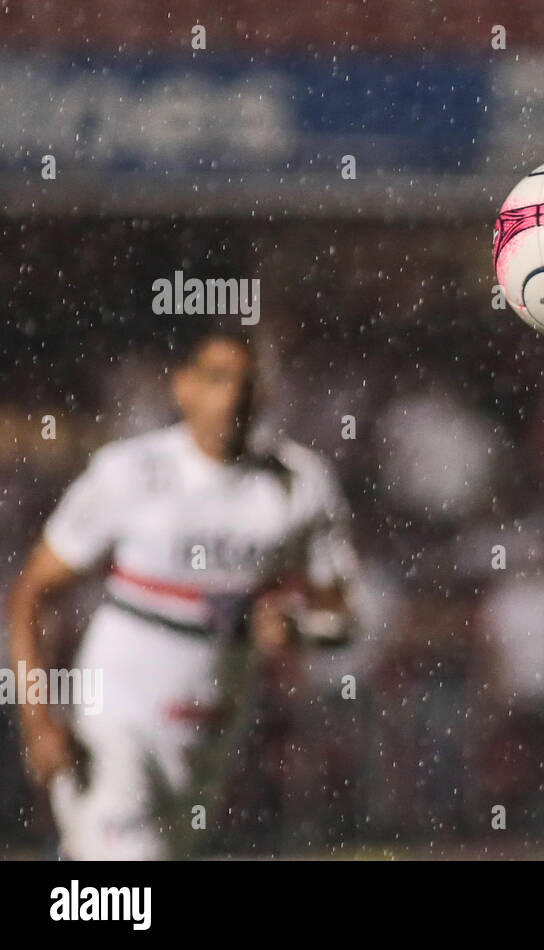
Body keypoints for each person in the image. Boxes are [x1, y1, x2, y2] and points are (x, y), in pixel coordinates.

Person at [6, 327, 358, 859]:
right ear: (183, 388)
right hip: (114, 725)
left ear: (264, 393)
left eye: (245, 381)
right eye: (217, 379)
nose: (232, 396)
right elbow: (31, 594)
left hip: (211, 737)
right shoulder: (129, 473)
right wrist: (39, 720)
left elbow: (343, 617)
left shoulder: (299, 484)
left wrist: (300, 629)